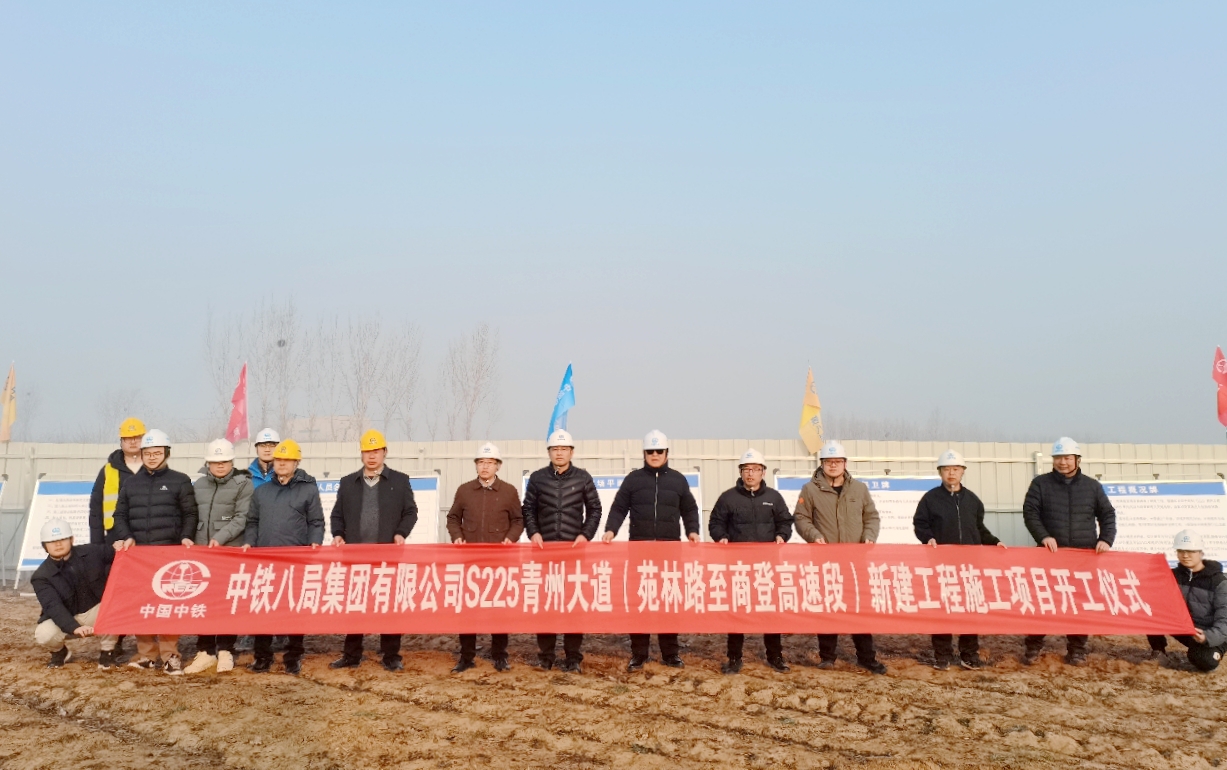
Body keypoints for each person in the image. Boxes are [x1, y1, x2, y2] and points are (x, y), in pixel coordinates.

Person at [603, 430, 701, 672]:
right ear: (644, 453)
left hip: (669, 553)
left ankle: (670, 653)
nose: (654, 455)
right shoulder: (633, 480)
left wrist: (692, 530)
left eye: (659, 451)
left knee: (669, 601)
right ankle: (639, 654)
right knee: (640, 601)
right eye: (650, 451)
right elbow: (619, 507)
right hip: (640, 551)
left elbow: (689, 509)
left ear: (667, 453)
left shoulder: (678, 480)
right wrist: (611, 530)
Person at [793, 440, 887, 674]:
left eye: (837, 461)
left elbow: (871, 517)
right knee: (828, 607)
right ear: (822, 464)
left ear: (845, 463)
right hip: (825, 562)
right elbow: (801, 518)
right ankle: (827, 657)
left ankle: (866, 657)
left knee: (859, 608)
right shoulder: (810, 490)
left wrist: (869, 536)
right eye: (829, 461)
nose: (833, 465)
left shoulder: (859, 489)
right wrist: (814, 535)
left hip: (855, 562)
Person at [1021, 437, 1116, 666]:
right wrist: (1043, 536)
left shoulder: (1092, 487)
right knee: (1043, 601)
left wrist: (1106, 539)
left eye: (1067, 458)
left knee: (1080, 604)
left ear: (1077, 459)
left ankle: (1077, 649)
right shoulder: (1040, 484)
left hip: (1083, 557)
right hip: (1049, 556)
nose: (1062, 462)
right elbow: (1030, 512)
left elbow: (1107, 514)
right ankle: (1033, 645)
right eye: (1058, 458)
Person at [329, 429, 418, 672]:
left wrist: (401, 533)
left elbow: (411, 512)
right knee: (356, 605)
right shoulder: (348, 483)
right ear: (361, 454)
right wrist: (338, 534)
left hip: (388, 557)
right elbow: (337, 515)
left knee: (389, 607)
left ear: (384, 452)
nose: (371, 456)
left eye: (376, 451)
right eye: (367, 451)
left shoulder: (399, 481)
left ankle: (391, 655)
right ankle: (351, 655)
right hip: (355, 557)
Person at [111, 429, 198, 675]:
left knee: (167, 605)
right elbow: (120, 514)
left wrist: (186, 536)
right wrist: (127, 536)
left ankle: (171, 656)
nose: (152, 457)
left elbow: (190, 513)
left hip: (168, 554)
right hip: (139, 556)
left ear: (166, 453)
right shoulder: (131, 483)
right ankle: (146, 654)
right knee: (142, 605)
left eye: (157, 453)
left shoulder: (180, 480)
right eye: (147, 453)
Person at [912, 449, 1006, 670]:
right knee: (942, 610)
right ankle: (942, 655)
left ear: (963, 471)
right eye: (947, 469)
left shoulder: (972, 500)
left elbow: (979, 528)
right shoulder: (930, 499)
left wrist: (994, 542)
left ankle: (969, 654)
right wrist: (928, 538)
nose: (951, 473)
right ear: (940, 472)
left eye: (955, 469)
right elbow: (920, 524)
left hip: (969, 567)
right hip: (941, 566)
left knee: (969, 610)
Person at [523, 429, 602, 673]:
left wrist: (585, 534)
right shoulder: (538, 478)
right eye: (555, 449)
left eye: (564, 449)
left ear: (571, 452)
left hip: (573, 553)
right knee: (546, 605)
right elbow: (528, 509)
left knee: (573, 604)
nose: (559, 453)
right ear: (549, 452)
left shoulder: (583, 478)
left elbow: (595, 509)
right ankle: (546, 656)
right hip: (544, 551)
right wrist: (533, 532)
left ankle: (572, 658)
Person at [243, 438, 324, 675]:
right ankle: (262, 656)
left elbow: (316, 521)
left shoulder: (308, 489)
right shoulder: (262, 492)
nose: (281, 463)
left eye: (287, 460)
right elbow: (252, 521)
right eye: (278, 459)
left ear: (296, 462)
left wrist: (315, 542)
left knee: (294, 609)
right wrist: (249, 542)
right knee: (263, 609)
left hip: (295, 561)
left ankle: (293, 656)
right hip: (265, 560)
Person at [708, 448, 793, 674]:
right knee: (737, 611)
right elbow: (715, 523)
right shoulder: (728, 498)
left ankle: (775, 656)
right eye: (746, 469)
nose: (750, 473)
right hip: (738, 567)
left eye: (755, 469)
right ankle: (734, 658)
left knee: (770, 611)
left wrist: (782, 535)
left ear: (763, 472)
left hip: (767, 566)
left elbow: (785, 521)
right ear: (740, 472)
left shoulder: (773, 498)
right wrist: (721, 536)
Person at [446, 442, 523, 673]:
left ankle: (500, 655)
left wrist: (510, 538)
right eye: (481, 462)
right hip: (469, 562)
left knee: (499, 609)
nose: (485, 466)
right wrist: (457, 536)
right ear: (476, 465)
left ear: (498, 466)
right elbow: (453, 518)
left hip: (499, 562)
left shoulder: (508, 492)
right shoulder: (464, 491)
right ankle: (466, 656)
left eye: (490, 462)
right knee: (468, 610)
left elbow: (518, 520)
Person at [182, 438, 252, 675]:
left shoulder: (243, 484)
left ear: (232, 462)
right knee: (203, 601)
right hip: (202, 553)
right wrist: (188, 537)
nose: (220, 465)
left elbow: (242, 517)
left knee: (226, 602)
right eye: (215, 462)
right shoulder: (199, 484)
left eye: (224, 461)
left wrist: (221, 537)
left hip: (229, 552)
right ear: (208, 463)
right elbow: (191, 514)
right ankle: (205, 650)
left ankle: (225, 650)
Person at [31, 519, 119, 669]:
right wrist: (74, 627)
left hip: (96, 611)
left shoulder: (92, 552)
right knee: (43, 634)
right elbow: (53, 606)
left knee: (115, 604)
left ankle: (107, 651)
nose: (58, 544)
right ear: (44, 546)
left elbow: (120, 554)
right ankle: (60, 652)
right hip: (67, 617)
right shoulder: (41, 576)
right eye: (52, 541)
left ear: (72, 539)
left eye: (62, 539)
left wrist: (120, 545)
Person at [1147, 530, 1227, 672]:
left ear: (1201, 553)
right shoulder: (1171, 576)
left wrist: (1208, 637)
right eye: (1181, 551)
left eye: (1190, 551)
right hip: (1184, 627)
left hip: (1209, 633)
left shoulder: (1219, 582)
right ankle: (1158, 650)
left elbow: (1224, 619)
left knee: (1203, 660)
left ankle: (1216, 649)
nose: (1185, 555)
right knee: (1151, 608)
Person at [88, 416, 145, 545]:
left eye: (137, 437)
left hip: (148, 539)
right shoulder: (108, 471)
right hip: (115, 539)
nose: (133, 442)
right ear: (121, 441)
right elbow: (96, 511)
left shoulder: (154, 469)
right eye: (128, 438)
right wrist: (97, 546)